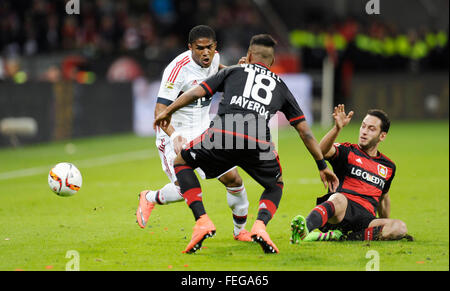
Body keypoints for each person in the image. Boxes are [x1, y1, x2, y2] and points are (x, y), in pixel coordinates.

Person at [153, 34, 339, 254]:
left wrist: (167, 111)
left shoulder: (233, 71)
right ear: (272, 61)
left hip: (223, 135)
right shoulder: (281, 86)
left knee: (182, 161)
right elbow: (305, 131)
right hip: (258, 141)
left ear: (248, 55)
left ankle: (202, 220)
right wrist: (322, 165)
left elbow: (197, 92)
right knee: (275, 184)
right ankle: (259, 225)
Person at [136, 25, 252, 242]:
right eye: (200, 48)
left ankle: (241, 232)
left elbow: (219, 73)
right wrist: (174, 135)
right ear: (190, 47)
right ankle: (149, 197)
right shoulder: (177, 70)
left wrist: (236, 71)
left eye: (209, 47)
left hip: (203, 130)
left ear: (215, 46)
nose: (205, 52)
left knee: (233, 179)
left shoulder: (215, 59)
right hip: (173, 132)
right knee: (184, 190)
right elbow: (159, 112)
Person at [291, 105, 410, 243]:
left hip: (366, 219)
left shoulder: (388, 166)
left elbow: (383, 198)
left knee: (399, 227)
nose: (364, 132)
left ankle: (342, 237)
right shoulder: (347, 151)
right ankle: (305, 228)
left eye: (371, 129)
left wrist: (385, 224)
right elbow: (321, 151)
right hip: (342, 210)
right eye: (363, 126)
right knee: (339, 198)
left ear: (382, 136)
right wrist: (337, 128)